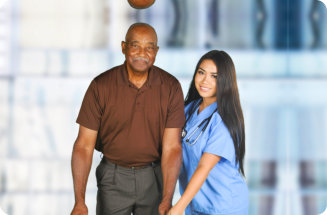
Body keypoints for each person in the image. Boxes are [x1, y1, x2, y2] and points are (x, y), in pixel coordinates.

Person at [71, 23, 185, 215]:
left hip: (154, 178)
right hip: (113, 178)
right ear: (124, 47)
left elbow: (172, 147)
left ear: (156, 51)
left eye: (149, 47)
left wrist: (167, 199)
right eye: (135, 46)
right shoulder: (101, 86)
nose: (142, 53)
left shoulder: (171, 87)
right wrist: (79, 202)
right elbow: (83, 146)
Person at [168, 50, 248, 215]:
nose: (205, 80)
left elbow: (204, 167)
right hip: (196, 204)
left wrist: (179, 206)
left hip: (224, 207)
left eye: (214, 76)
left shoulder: (223, 121)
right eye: (201, 72)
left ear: (225, 81)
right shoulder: (189, 109)